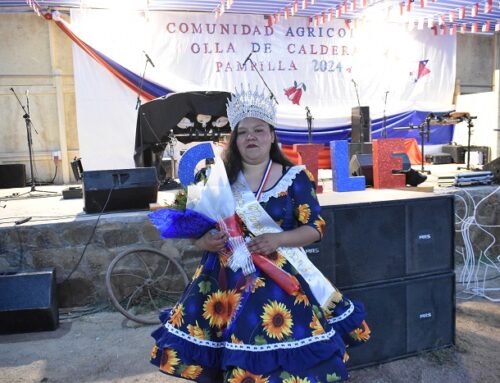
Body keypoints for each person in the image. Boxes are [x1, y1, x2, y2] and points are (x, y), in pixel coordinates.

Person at [150, 86, 370, 382]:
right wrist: (203, 241)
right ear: (234, 139)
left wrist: (278, 239)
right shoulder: (213, 178)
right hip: (223, 278)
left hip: (279, 276)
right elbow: (195, 226)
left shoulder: (295, 177)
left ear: (272, 135)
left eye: (259, 130)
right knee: (225, 354)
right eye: (242, 132)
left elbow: (315, 228)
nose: (250, 137)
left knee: (275, 348)